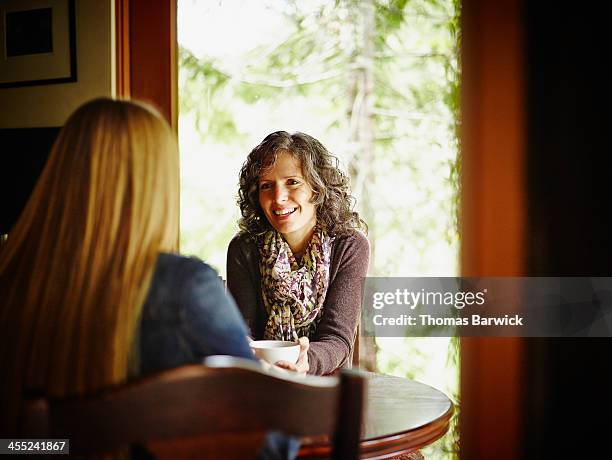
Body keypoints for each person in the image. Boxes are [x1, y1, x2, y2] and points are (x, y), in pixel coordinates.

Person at [0, 99, 256, 437]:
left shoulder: (12, 273)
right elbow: (269, 439)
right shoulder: (184, 288)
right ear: (158, 185)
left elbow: (20, 445)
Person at [227, 131, 370, 375]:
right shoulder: (244, 248)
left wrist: (305, 362)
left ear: (317, 188)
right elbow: (243, 332)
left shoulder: (349, 246)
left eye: (292, 182)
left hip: (326, 388)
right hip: (259, 382)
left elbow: (337, 338)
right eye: (266, 186)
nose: (279, 198)